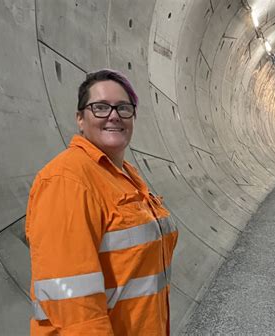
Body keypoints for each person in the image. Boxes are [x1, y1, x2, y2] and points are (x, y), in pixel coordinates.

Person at [26, 69, 178, 335]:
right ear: (80, 119)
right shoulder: (67, 180)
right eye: (100, 108)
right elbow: (74, 305)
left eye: (123, 107)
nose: (114, 115)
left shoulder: (125, 175)